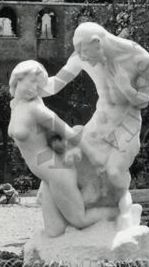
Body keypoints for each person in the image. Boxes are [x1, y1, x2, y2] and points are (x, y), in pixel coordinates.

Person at [43, 22, 149, 220]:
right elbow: (56, 83)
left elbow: (144, 101)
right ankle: (76, 214)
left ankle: (126, 209)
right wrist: (29, 84)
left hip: (126, 124)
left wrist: (126, 89)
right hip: (99, 122)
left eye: (84, 53)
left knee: (114, 172)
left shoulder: (140, 58)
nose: (81, 58)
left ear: (97, 42)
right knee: (68, 159)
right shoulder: (80, 56)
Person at [7, 60, 115, 236]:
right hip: (48, 176)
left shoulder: (36, 109)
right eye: (32, 81)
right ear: (18, 77)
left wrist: (94, 156)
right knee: (54, 230)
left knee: (80, 220)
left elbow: (69, 132)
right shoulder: (16, 105)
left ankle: (120, 213)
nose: (35, 88)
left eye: (39, 85)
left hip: (57, 172)